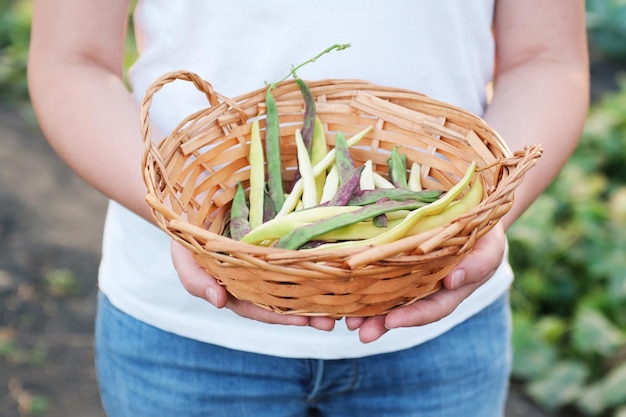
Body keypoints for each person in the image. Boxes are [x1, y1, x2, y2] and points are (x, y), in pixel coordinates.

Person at [27, 1, 589, 416]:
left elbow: (546, 59)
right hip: (182, 337)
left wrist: (476, 220)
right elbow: (70, 62)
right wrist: (181, 217)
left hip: (439, 331)